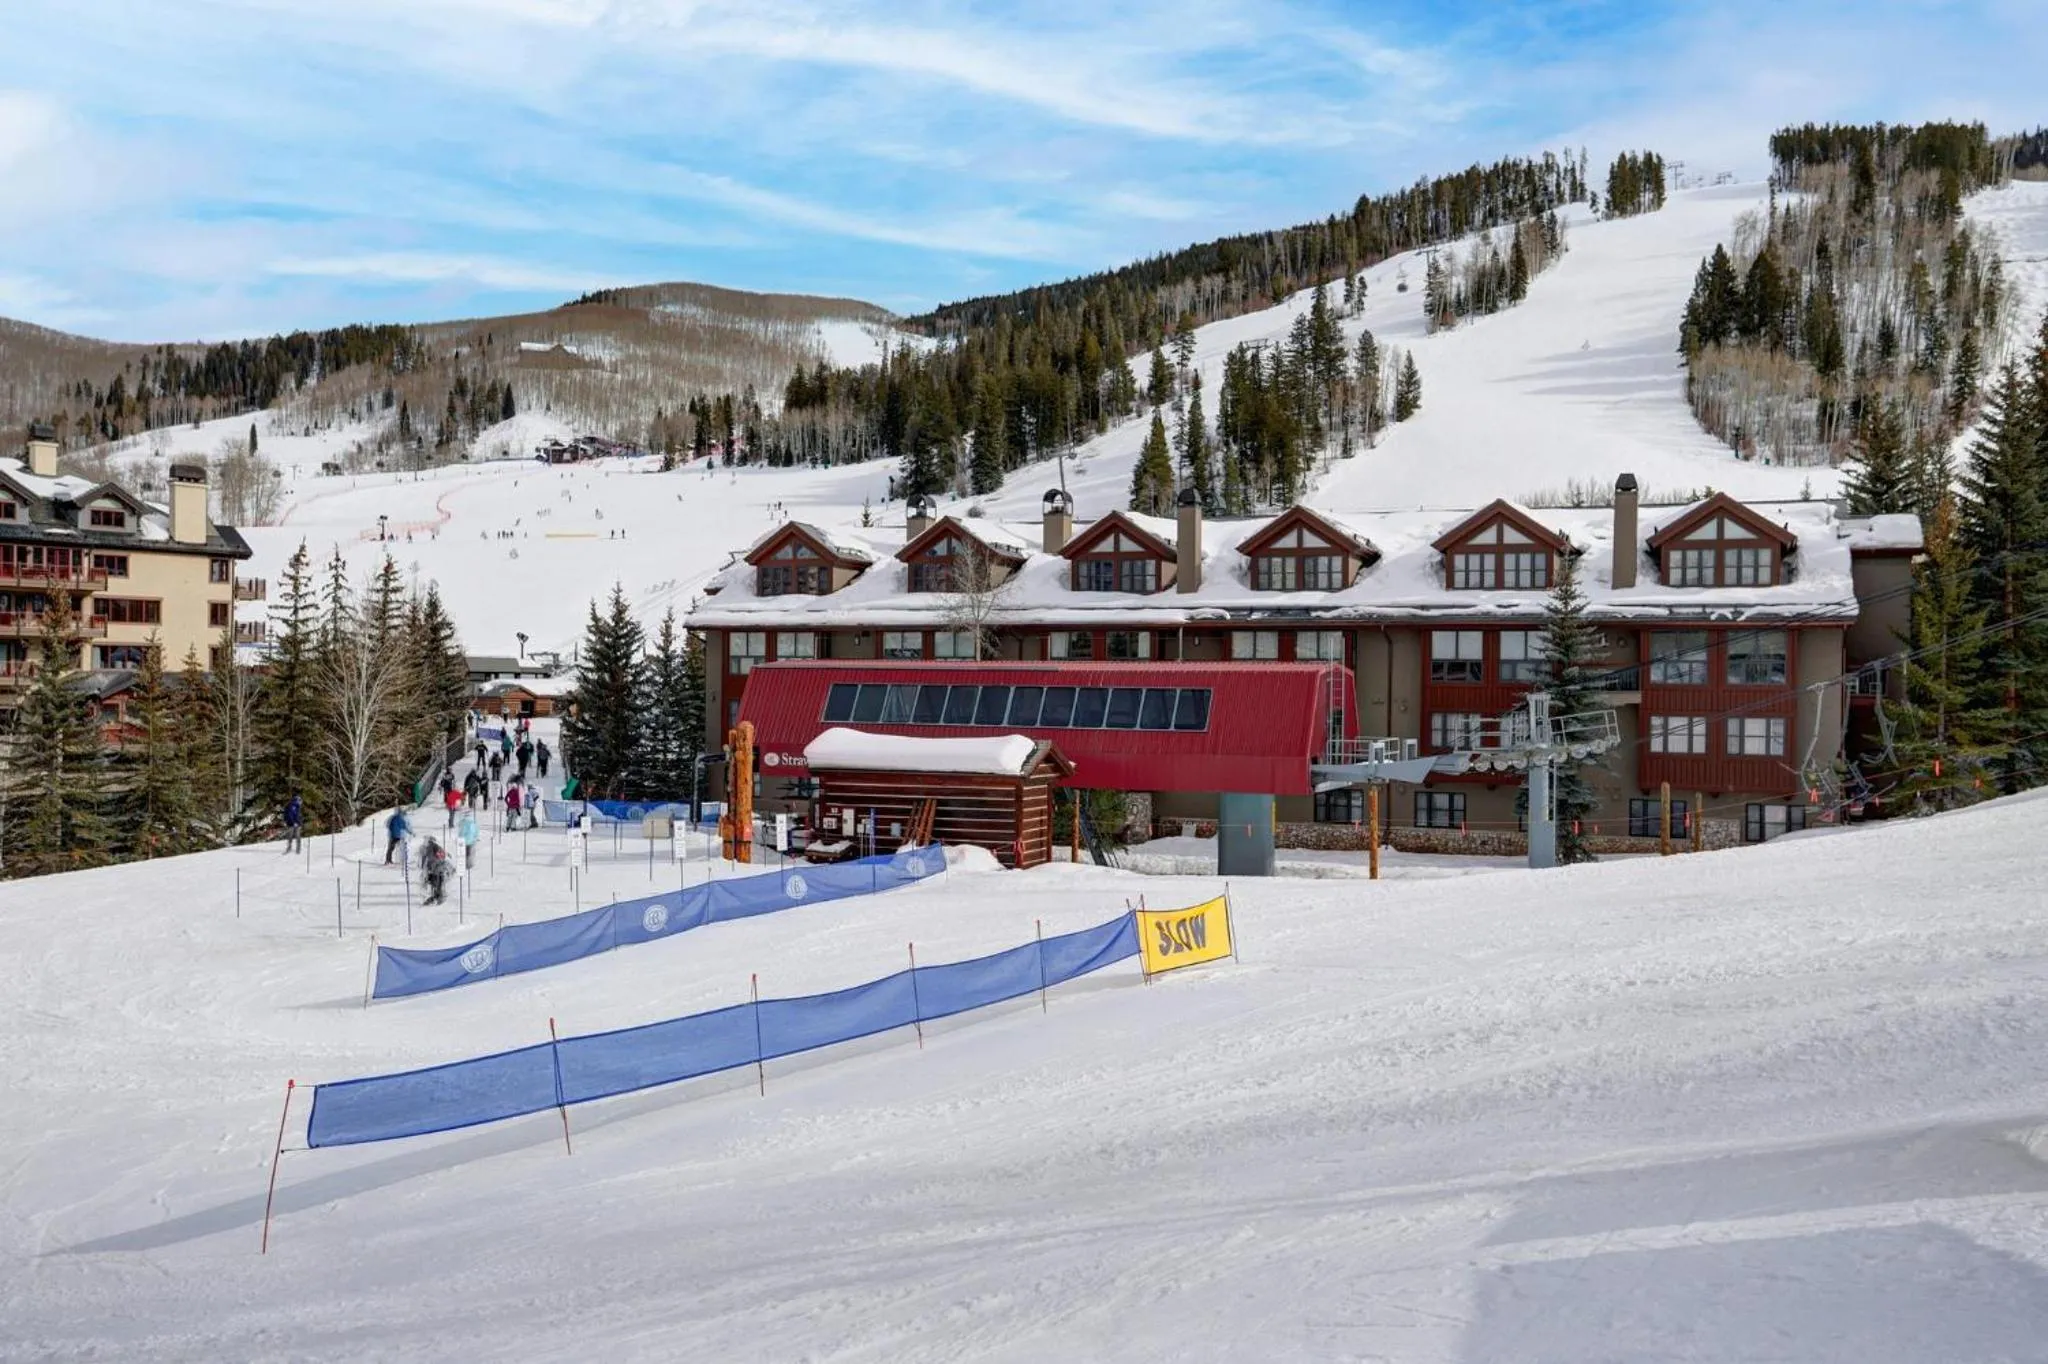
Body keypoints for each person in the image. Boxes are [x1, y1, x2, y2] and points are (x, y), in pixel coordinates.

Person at [421, 838, 450, 905]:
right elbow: (443, 856)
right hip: (438, 868)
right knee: (438, 883)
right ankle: (438, 897)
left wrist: (426, 868)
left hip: (434, 869)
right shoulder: (436, 847)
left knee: (435, 884)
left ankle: (438, 897)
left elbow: (427, 859)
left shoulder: (429, 848)